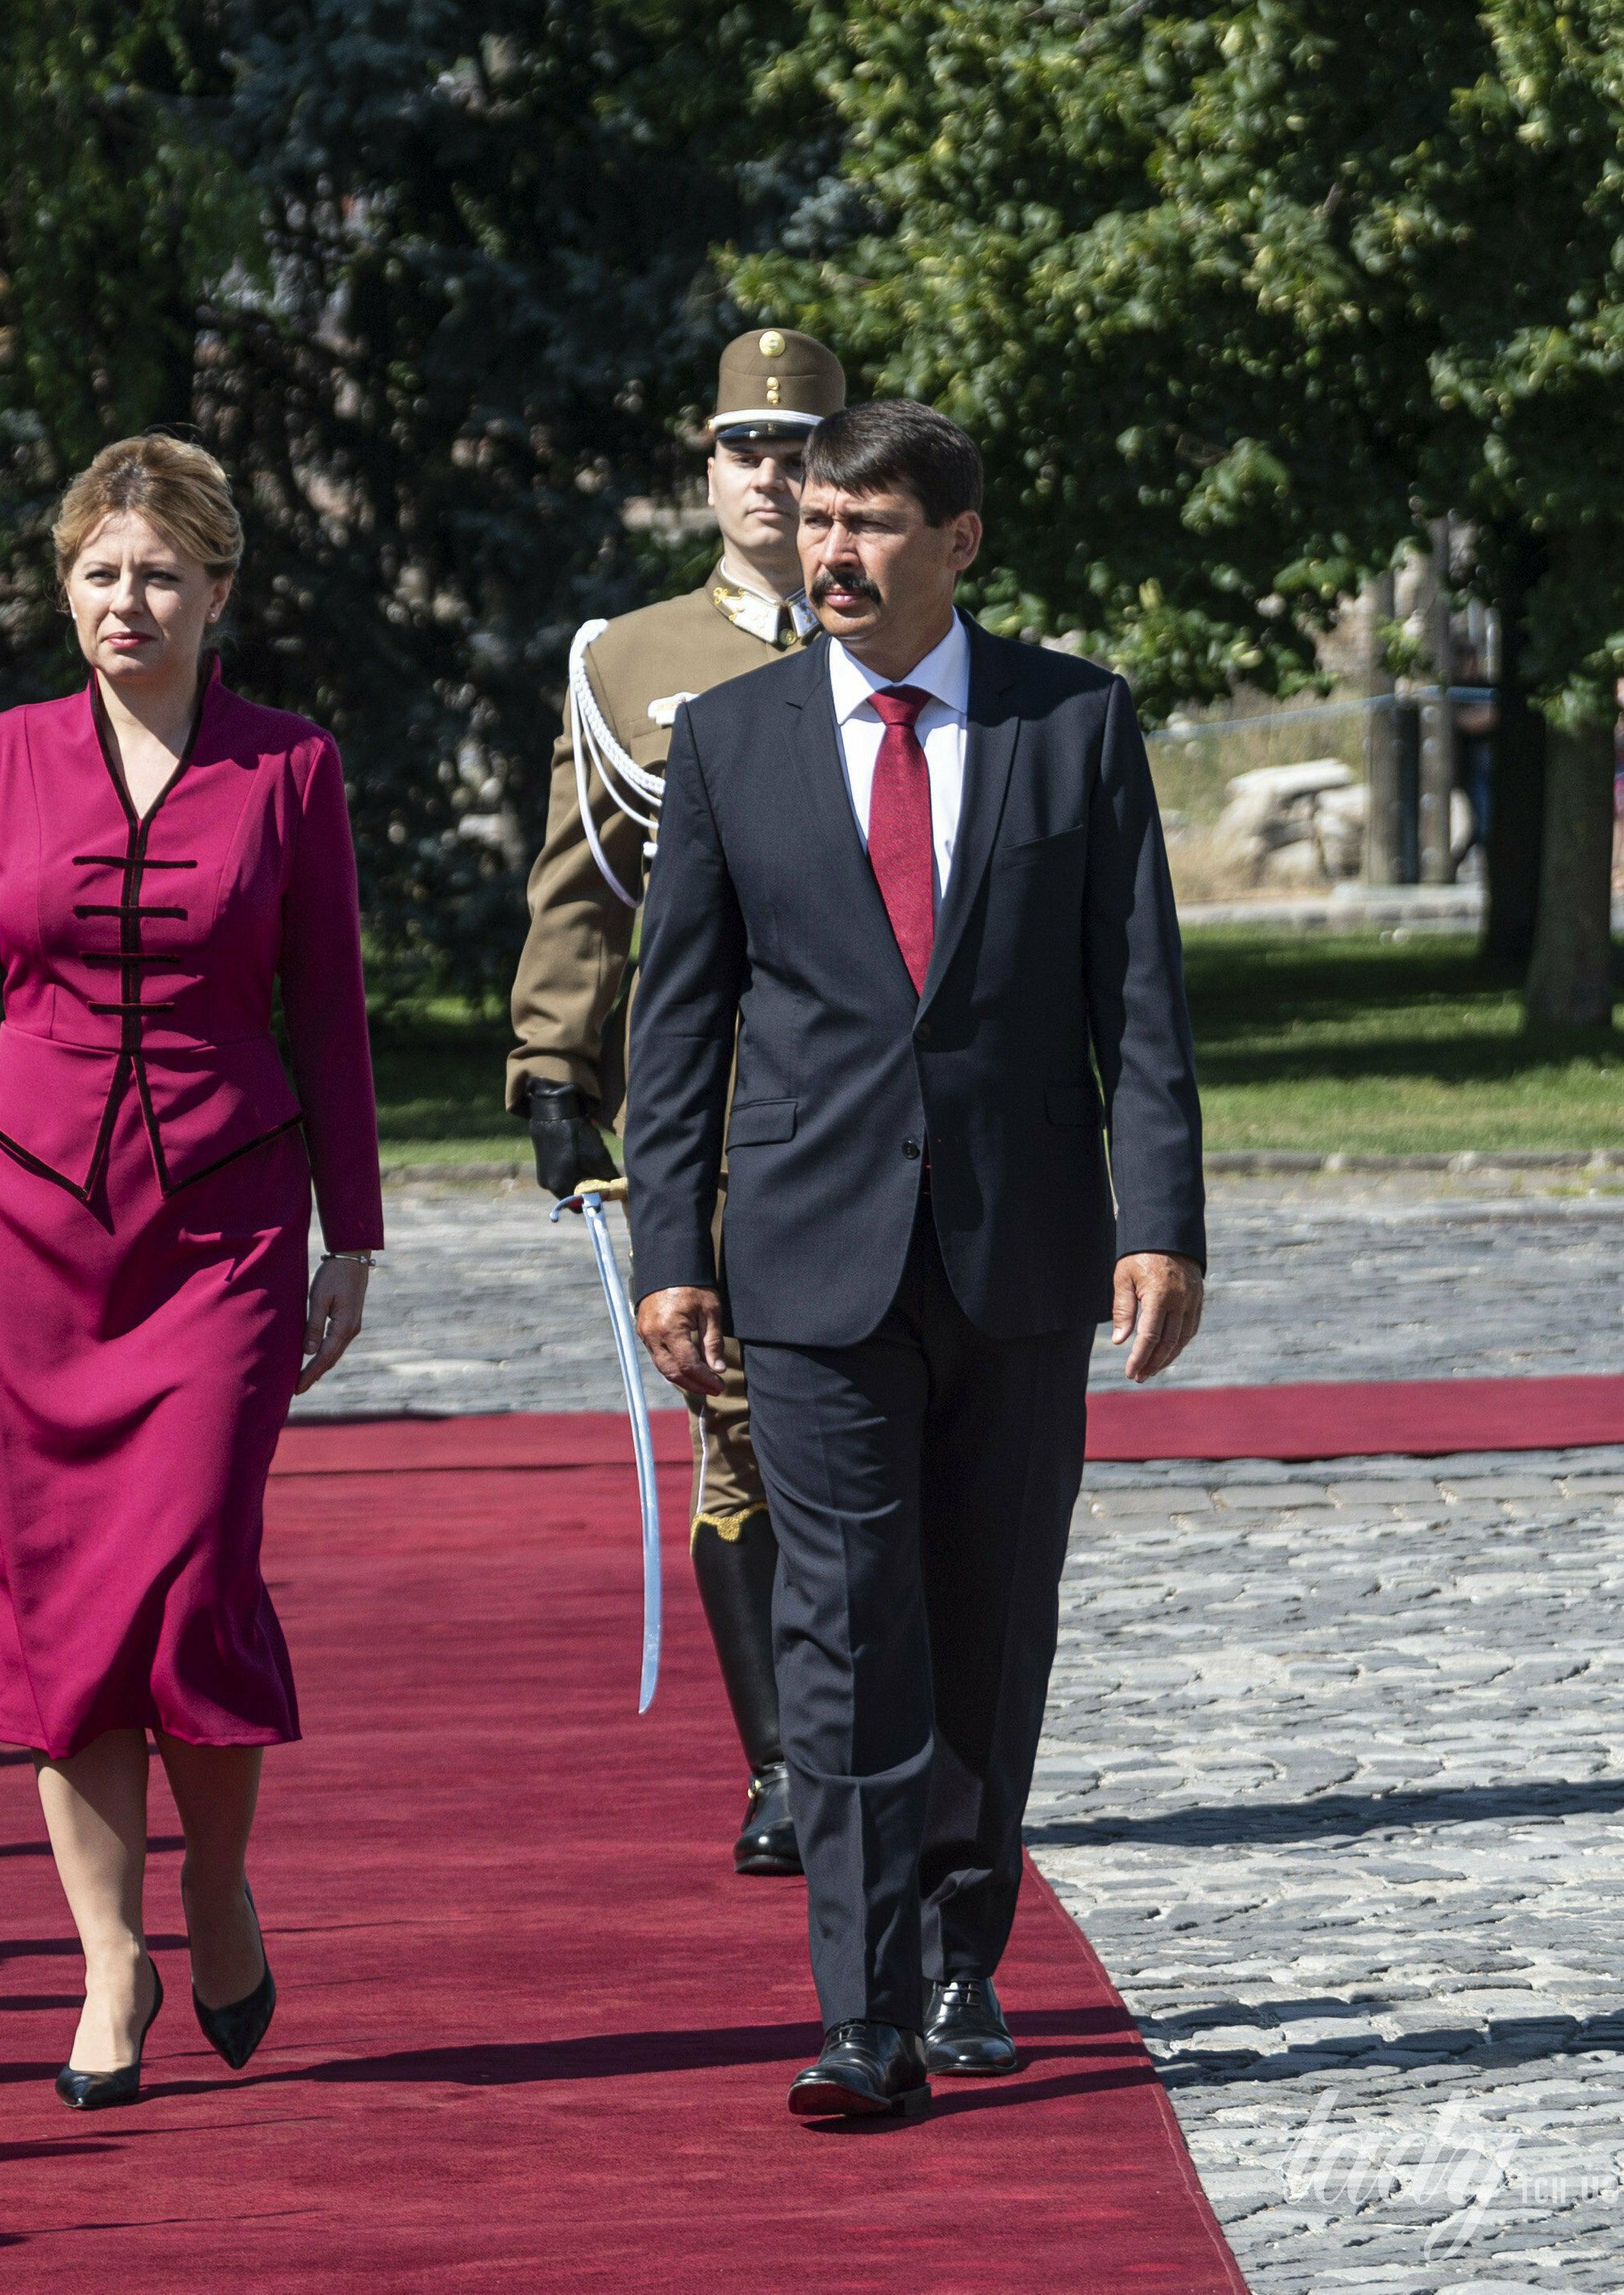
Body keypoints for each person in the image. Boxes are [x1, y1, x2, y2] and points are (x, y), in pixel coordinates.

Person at [622, 398, 1206, 2119]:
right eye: (813, 521)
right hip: (808, 1265)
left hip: (1020, 1255)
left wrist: (1158, 1217)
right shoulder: (730, 741)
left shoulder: (1071, 723)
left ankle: (966, 1956)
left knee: (990, 1617)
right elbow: (676, 1025)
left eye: (869, 524)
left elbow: (1139, 997)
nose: (831, 553)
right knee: (845, 1622)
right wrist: (675, 1247)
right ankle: (860, 2009)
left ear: (957, 543)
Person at [0, 432, 381, 2109]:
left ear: (219, 590)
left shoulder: (289, 766)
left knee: (189, 1584)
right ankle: (105, 1959)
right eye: (99, 571)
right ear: (64, 584)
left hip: (226, 1230)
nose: (125, 599)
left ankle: (214, 1883)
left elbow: (328, 1013)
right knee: (64, 1611)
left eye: (159, 572)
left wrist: (351, 1231)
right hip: (23, 1231)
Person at [503, 326, 846, 1877]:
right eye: (744, 448)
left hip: (873, 1098)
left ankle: (872, 1733)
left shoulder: (909, 637)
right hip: (701, 1103)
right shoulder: (625, 661)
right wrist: (551, 1071)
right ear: (707, 471)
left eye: (799, 445)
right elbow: (581, 888)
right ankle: (783, 1762)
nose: (771, 474)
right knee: (737, 1425)